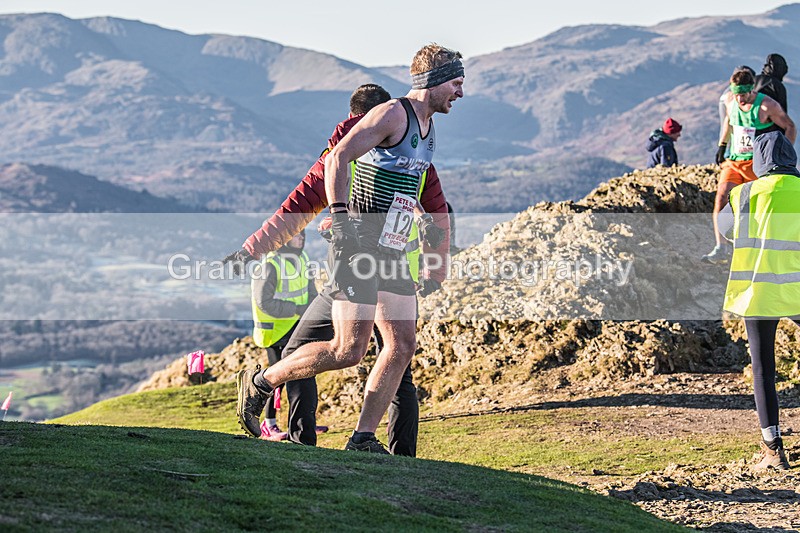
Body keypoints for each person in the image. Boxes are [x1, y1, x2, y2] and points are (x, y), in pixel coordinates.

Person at [232, 44, 463, 454]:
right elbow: (337, 157)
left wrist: (433, 259)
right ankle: (262, 382)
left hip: (392, 249)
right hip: (358, 243)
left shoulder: (428, 128)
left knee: (402, 346)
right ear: (434, 81)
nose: (461, 93)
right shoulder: (393, 114)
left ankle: (362, 439)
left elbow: (431, 203)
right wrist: (340, 219)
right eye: (456, 83)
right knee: (348, 350)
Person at [721, 131, 800, 470]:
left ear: (760, 162)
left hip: (758, 292)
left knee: (763, 370)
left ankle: (773, 450)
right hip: (797, 289)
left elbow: (725, 229)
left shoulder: (744, 193)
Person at [703, 68, 796, 264]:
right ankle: (721, 247)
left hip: (757, 163)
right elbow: (728, 121)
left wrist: (783, 152)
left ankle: (758, 249)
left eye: (743, 95)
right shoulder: (730, 100)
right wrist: (722, 145)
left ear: (751, 89)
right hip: (735, 161)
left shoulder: (767, 106)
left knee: (755, 207)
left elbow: (790, 126)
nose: (740, 99)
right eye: (736, 94)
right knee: (721, 197)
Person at [249, 229, 319, 444]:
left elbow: (311, 292)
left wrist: (313, 312)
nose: (301, 239)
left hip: (296, 327)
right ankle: (268, 425)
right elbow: (263, 302)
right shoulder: (271, 265)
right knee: (276, 379)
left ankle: (303, 423)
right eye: (296, 235)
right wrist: (296, 310)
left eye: (303, 235)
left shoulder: (302, 259)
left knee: (303, 373)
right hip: (276, 332)